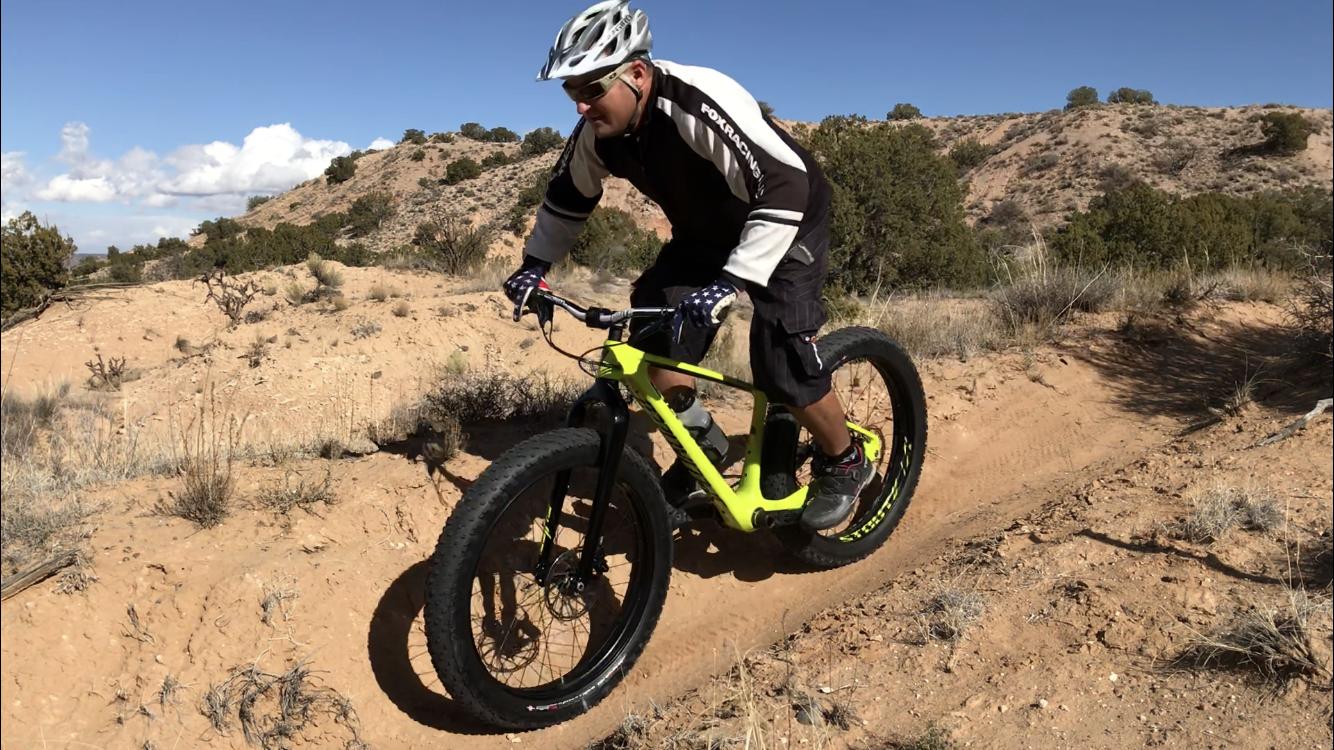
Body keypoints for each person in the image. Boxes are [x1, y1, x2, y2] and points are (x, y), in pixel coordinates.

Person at [504, 0, 870, 532]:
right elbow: (567, 200)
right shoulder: (598, 135)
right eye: (571, 93)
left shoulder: (698, 101)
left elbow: (784, 183)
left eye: (590, 90)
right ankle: (706, 448)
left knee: (782, 356)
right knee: (653, 338)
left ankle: (846, 459)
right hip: (705, 235)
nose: (580, 107)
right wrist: (533, 265)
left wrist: (730, 282)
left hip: (786, 216)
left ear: (635, 73)